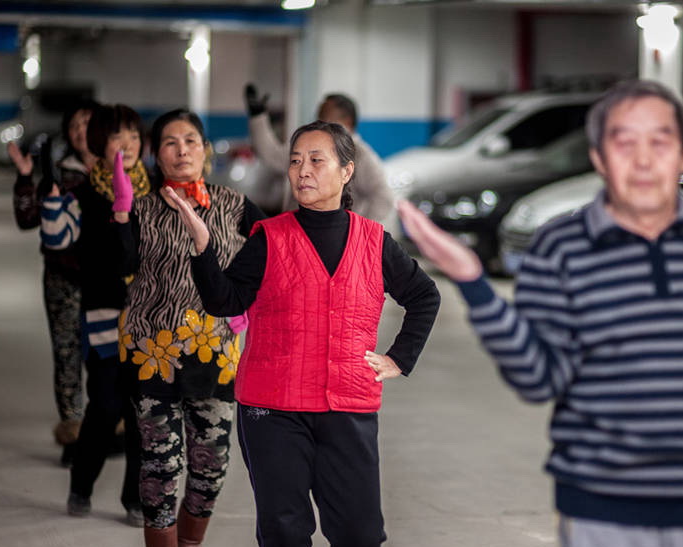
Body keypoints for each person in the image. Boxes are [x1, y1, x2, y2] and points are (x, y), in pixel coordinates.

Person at [398, 79, 683, 547]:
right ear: (598, 158)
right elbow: (539, 378)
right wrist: (475, 285)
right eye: (624, 143)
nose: (644, 159)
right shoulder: (560, 250)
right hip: (599, 512)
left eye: (660, 141)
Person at [168, 120, 440, 546]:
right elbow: (226, 301)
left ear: (347, 171)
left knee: (360, 532)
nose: (302, 170)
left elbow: (424, 296)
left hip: (348, 409)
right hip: (273, 411)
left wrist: (399, 358)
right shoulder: (268, 238)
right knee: (284, 531)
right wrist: (203, 246)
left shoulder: (374, 241)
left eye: (317, 160)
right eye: (295, 161)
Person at [112, 109, 266, 546]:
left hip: (215, 355)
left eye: (191, 141)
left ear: (205, 150)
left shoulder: (236, 205)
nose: (182, 150)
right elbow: (118, 267)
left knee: (211, 466)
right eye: (170, 143)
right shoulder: (140, 209)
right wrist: (121, 213)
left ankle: (190, 542)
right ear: (156, 156)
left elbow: (272, 259)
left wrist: (246, 305)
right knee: (160, 466)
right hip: (151, 355)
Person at [40, 103, 150, 526]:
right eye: (119, 138)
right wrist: (52, 208)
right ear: (100, 144)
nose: (129, 146)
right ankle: (82, 485)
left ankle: (135, 499)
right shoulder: (84, 193)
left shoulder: (156, 191)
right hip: (104, 316)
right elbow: (58, 241)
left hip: (150, 324)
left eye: (135, 137)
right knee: (105, 408)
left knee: (144, 412)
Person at [9, 100, 99, 467]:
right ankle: (74, 432)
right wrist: (25, 178)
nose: (81, 132)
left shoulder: (122, 173)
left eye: (88, 124)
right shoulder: (60, 174)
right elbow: (27, 219)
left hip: (107, 282)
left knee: (107, 359)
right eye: (74, 125)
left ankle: (109, 428)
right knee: (67, 356)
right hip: (63, 280)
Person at [244, 83, 394, 223]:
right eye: (297, 162)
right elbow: (272, 157)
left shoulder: (360, 155)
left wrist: (358, 231)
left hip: (334, 243)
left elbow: (383, 197)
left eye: (326, 118)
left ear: (347, 122)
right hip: (296, 233)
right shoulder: (306, 145)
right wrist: (258, 118)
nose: (303, 172)